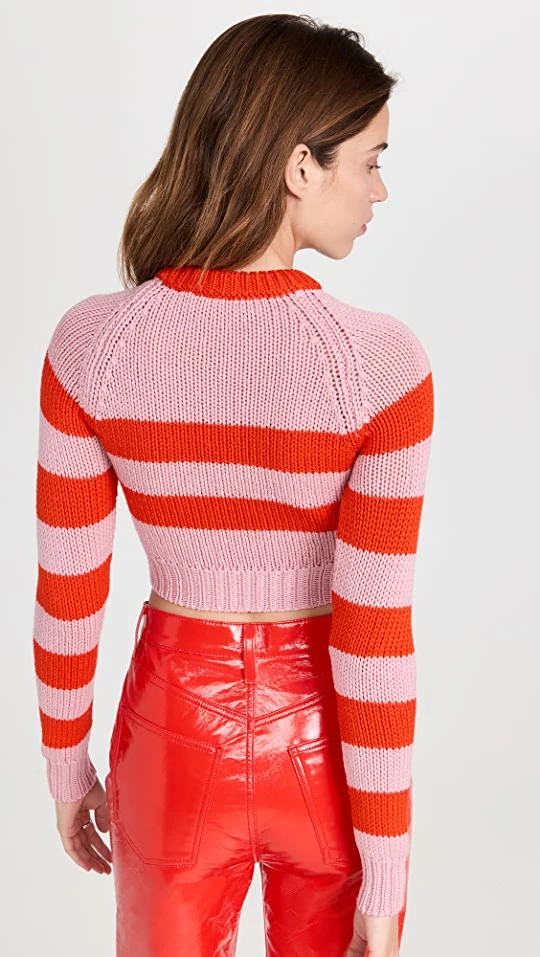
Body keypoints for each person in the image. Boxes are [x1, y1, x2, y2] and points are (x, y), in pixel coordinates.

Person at [32, 13, 434, 957]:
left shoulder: (90, 346)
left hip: (169, 734)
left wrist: (66, 767)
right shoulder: (383, 367)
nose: (380, 188)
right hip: (326, 748)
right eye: (370, 160)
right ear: (301, 167)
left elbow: (70, 587)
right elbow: (374, 635)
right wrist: (387, 872)